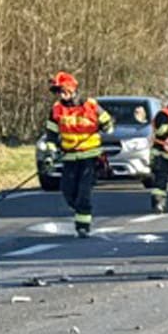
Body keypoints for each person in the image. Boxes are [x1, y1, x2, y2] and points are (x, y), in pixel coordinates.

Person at [42, 71, 114, 238]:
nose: (60, 94)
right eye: (57, 91)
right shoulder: (56, 110)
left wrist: (105, 125)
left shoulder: (91, 105)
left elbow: (109, 126)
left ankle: (83, 226)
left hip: (91, 156)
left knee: (83, 192)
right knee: (67, 191)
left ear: (72, 89)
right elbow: (51, 135)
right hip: (70, 157)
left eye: (62, 90)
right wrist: (49, 154)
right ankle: (81, 211)